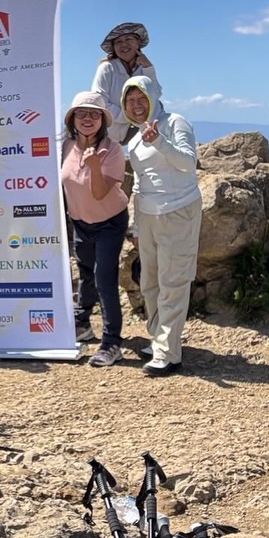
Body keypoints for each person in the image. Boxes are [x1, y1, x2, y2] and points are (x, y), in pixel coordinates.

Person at [120, 76, 202, 376]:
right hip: (149, 215)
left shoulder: (175, 123)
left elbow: (188, 163)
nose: (137, 105)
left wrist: (161, 142)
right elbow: (140, 184)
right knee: (150, 282)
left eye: (141, 98)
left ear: (153, 97)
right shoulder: (134, 139)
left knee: (173, 282)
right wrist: (137, 227)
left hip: (179, 210)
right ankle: (159, 339)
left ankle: (169, 353)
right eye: (130, 101)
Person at [60, 90, 130, 368]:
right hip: (80, 221)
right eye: (81, 113)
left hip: (110, 222)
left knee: (104, 277)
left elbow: (100, 193)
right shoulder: (64, 146)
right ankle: (82, 323)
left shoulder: (112, 150)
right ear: (72, 119)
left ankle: (112, 343)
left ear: (103, 120)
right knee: (86, 271)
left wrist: (94, 167)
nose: (87, 118)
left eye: (94, 114)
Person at [90, 22, 159, 141]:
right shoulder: (107, 67)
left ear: (138, 43)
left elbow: (155, 95)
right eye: (118, 42)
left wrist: (149, 68)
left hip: (139, 130)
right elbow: (99, 101)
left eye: (128, 39)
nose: (124, 44)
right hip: (110, 135)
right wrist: (130, 116)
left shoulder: (143, 67)